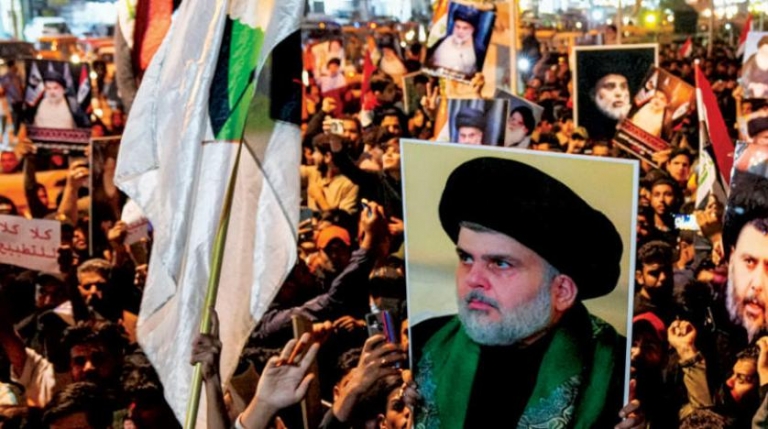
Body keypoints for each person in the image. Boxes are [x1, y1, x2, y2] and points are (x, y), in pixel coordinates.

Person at [411, 157, 642, 428]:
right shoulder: (423, 342)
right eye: (466, 258)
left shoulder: (620, 372)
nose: (472, 279)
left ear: (562, 291)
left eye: (500, 263)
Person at [429, 7, 481, 76]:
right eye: (457, 26)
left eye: (465, 28)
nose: (460, 31)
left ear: (473, 30)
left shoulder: (478, 52)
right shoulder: (441, 41)